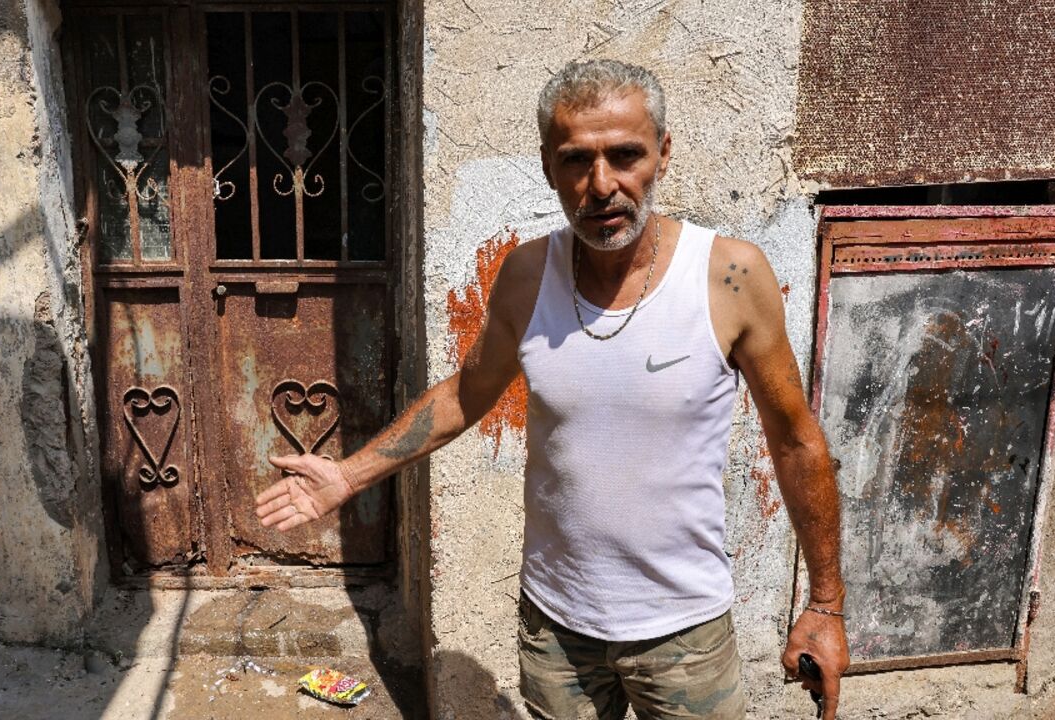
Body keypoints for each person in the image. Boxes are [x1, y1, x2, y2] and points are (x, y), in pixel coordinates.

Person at [255, 59, 849, 719]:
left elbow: (796, 442)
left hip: (685, 633)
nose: (602, 186)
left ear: (663, 152)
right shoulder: (527, 274)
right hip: (557, 631)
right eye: (576, 161)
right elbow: (466, 393)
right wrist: (349, 476)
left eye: (626, 156)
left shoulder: (730, 276)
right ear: (547, 165)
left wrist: (825, 604)